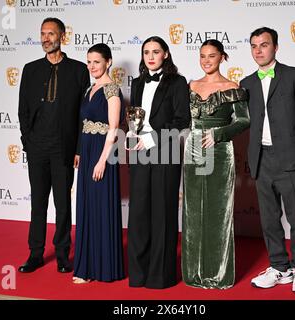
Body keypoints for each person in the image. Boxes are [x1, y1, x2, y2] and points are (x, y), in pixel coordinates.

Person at [240, 27, 295, 293]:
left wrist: (293, 144)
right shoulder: (247, 83)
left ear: (275, 47)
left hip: (290, 158)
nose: (258, 50)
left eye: (264, 45)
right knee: (269, 219)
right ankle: (279, 267)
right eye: (254, 46)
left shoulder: (294, 76)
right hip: (261, 158)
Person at [18, 17, 90, 273]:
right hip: (37, 147)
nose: (46, 38)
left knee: (62, 203)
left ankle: (62, 254)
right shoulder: (30, 69)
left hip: (64, 148)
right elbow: (23, 110)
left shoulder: (79, 70)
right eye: (42, 34)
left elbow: (85, 114)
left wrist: (79, 148)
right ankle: (35, 254)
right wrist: (28, 141)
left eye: (51, 33)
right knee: (37, 203)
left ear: (62, 36)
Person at [181, 39, 250, 289]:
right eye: (202, 56)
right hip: (193, 149)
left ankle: (217, 273)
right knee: (192, 210)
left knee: (218, 212)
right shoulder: (189, 86)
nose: (206, 60)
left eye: (211, 56)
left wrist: (219, 134)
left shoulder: (232, 87)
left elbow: (244, 121)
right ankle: (193, 273)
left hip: (219, 150)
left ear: (222, 57)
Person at [127, 36, 190, 289]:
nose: (150, 56)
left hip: (166, 152)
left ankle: (159, 277)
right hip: (140, 153)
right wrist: (132, 133)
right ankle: (138, 275)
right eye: (146, 52)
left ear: (165, 54)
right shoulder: (137, 82)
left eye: (155, 51)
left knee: (162, 215)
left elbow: (181, 119)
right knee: (139, 214)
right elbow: (136, 117)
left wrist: (152, 138)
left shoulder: (177, 82)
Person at [72, 43, 125, 284]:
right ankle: (85, 267)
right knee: (86, 208)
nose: (92, 66)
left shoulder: (112, 90)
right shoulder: (88, 89)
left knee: (101, 208)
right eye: (89, 61)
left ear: (108, 62)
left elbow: (113, 129)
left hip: (103, 154)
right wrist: (81, 153)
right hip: (87, 152)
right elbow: (84, 124)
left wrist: (102, 161)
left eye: (96, 61)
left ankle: (103, 268)